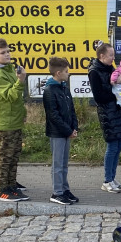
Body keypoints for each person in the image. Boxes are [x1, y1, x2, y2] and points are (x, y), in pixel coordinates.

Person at [0, 38, 28, 202]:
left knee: (14, 154)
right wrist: (21, 81)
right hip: (3, 122)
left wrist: (22, 112)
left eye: (8, 51)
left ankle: (11, 186)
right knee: (5, 156)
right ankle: (1, 190)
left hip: (13, 119)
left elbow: (17, 99)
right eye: (2, 53)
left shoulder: (9, 69)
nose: (7, 54)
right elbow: (10, 95)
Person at [88, 42, 121, 193]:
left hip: (117, 111)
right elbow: (99, 97)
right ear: (101, 56)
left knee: (118, 146)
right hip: (107, 113)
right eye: (111, 55)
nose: (114, 58)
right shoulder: (94, 72)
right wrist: (116, 96)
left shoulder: (111, 69)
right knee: (112, 146)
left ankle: (113, 178)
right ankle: (107, 180)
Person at [43, 56, 79, 206]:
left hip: (67, 131)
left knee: (64, 163)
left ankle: (65, 189)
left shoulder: (64, 88)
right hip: (58, 133)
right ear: (58, 73)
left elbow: (71, 109)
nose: (68, 73)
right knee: (57, 164)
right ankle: (57, 192)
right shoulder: (50, 90)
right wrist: (67, 130)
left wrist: (74, 127)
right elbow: (53, 116)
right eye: (66, 71)